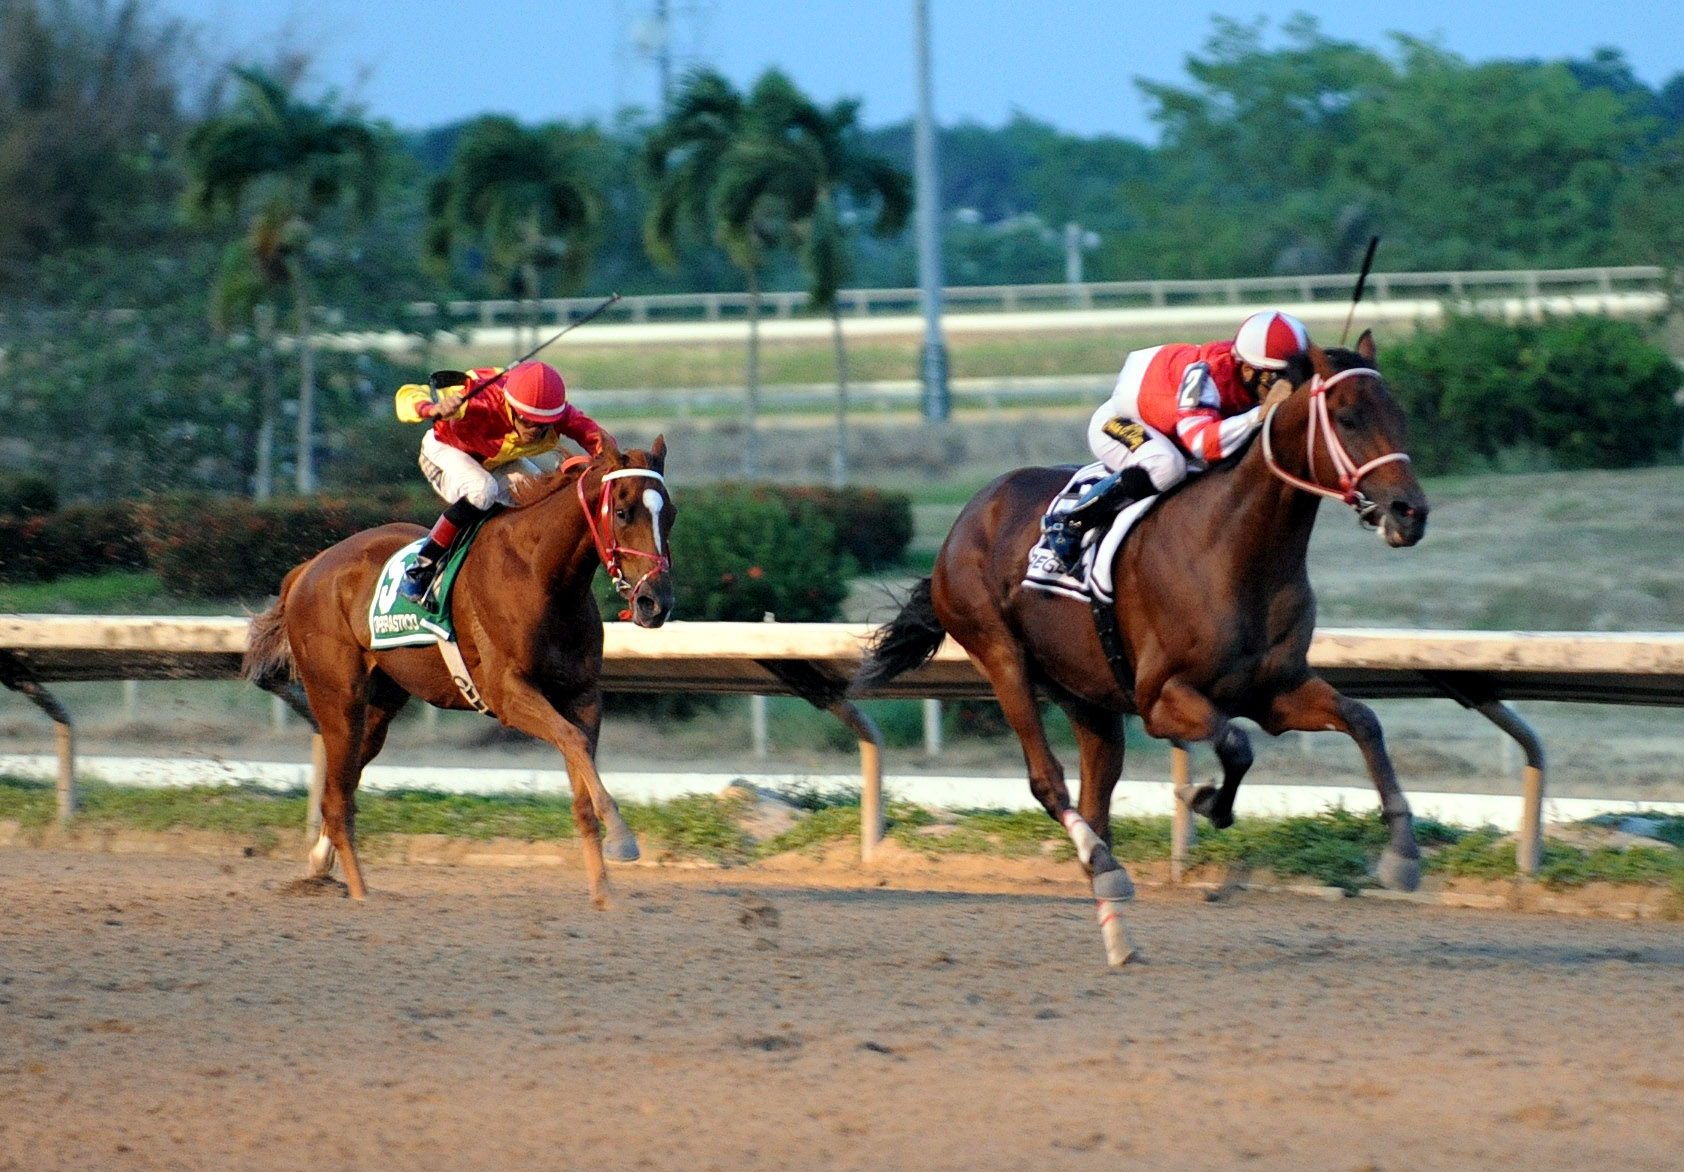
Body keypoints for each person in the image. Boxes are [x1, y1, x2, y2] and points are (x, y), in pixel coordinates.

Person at [1040, 309, 1310, 573]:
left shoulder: (1248, 371)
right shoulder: (1205, 377)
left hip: (1172, 428)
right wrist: (1260, 414)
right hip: (1121, 421)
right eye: (1276, 379)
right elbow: (1201, 444)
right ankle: (1071, 523)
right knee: (1167, 466)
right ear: (1249, 370)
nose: (1284, 388)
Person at [392, 360, 610, 602]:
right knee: (482, 490)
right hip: (444, 453)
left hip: (496, 463)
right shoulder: (480, 399)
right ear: (511, 408)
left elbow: (599, 440)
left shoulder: (561, 415)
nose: (534, 430)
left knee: (541, 495)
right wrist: (431, 408)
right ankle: (422, 568)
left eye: (543, 425)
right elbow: (407, 394)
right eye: (527, 421)